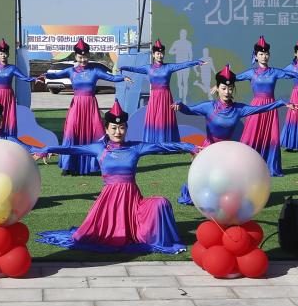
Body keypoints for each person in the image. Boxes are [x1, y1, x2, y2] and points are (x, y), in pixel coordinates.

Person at [36, 100, 195, 253]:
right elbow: (72, 148)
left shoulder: (136, 147)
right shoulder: (99, 148)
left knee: (161, 203)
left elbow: (162, 146)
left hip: (132, 201)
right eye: (113, 128)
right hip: (109, 202)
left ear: (126, 129)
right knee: (95, 237)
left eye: (121, 127)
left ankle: (155, 238)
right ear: (106, 129)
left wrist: (189, 146)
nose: (117, 132)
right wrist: (47, 149)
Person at [174, 64, 297, 204]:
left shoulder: (239, 109)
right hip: (208, 149)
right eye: (223, 88)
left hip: (227, 150)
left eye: (230, 88)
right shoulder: (208, 107)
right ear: (217, 88)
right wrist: (180, 105)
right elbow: (189, 110)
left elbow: (261, 108)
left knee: (228, 183)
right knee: (201, 181)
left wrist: (280, 103)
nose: (227, 92)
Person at [44, 38, 130, 175]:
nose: (83, 59)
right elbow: (54, 75)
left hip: (91, 107)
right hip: (76, 107)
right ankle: (68, 166)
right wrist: (41, 76)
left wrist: (123, 78)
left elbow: (111, 77)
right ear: (76, 56)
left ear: (88, 56)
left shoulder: (95, 71)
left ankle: (96, 165)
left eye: (85, 57)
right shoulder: (71, 71)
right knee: (71, 134)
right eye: (80, 57)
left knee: (97, 134)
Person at [118, 38, 206, 143]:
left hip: (166, 97)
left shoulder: (169, 67)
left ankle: (168, 142)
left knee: (165, 118)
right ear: (153, 55)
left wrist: (197, 62)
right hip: (154, 97)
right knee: (154, 118)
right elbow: (134, 69)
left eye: (162, 53)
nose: (160, 55)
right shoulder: (148, 68)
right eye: (158, 53)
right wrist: (123, 67)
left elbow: (183, 64)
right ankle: (153, 143)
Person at [235, 36, 298, 177]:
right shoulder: (251, 73)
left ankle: (269, 167)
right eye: (261, 54)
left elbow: (293, 74)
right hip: (256, 107)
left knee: (271, 137)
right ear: (255, 56)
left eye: (266, 54)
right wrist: (217, 84)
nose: (264, 56)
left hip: (271, 107)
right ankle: (245, 166)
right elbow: (232, 78)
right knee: (251, 136)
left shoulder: (274, 72)